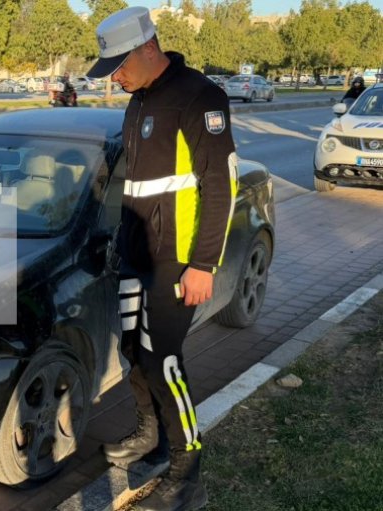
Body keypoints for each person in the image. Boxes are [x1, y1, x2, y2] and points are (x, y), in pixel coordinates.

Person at [89, 7, 237, 511]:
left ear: (148, 48)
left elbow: (222, 186)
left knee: (164, 361)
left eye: (119, 65)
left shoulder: (199, 98)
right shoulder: (139, 100)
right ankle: (149, 436)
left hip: (176, 263)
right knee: (134, 349)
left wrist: (204, 265)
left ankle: (186, 469)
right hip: (135, 255)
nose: (116, 77)